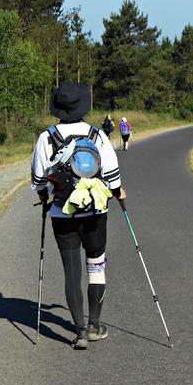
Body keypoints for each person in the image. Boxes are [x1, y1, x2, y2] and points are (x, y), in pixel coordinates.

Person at [31, 82, 126, 350]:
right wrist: (119, 193)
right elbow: (112, 176)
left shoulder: (46, 137)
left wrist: (44, 196)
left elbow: (39, 180)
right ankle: (95, 324)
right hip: (95, 212)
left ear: (58, 108)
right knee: (96, 265)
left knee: (71, 271)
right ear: (84, 106)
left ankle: (80, 331)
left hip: (63, 213)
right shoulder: (97, 135)